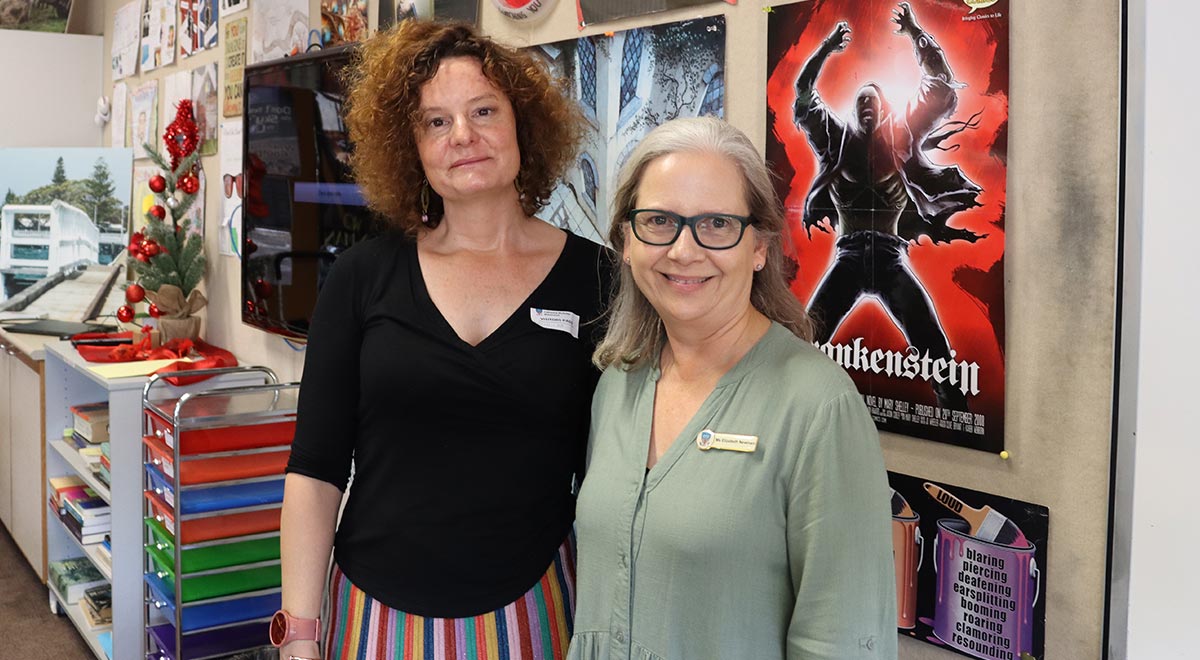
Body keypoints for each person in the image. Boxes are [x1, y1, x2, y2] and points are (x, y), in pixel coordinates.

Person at [277, 20, 610, 660]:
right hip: (372, 618)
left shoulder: (598, 280)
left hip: (535, 612)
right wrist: (299, 634)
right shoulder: (360, 277)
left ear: (524, 124)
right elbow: (316, 471)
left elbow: (610, 474)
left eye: (483, 110)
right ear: (410, 148)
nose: (463, 136)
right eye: (436, 121)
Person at [568, 116, 896, 659]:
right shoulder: (618, 385)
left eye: (717, 224)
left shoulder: (817, 407)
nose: (683, 250)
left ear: (760, 246)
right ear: (626, 241)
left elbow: (843, 641)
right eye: (658, 221)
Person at [794, 2, 983, 411]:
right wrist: (826, 49)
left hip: (892, 257)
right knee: (801, 342)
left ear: (883, 110)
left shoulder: (902, 139)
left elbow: (941, 86)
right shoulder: (834, 142)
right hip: (848, 257)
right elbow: (803, 94)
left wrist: (916, 33)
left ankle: (957, 418)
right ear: (854, 109)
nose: (867, 105)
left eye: (874, 101)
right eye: (861, 99)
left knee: (935, 349)